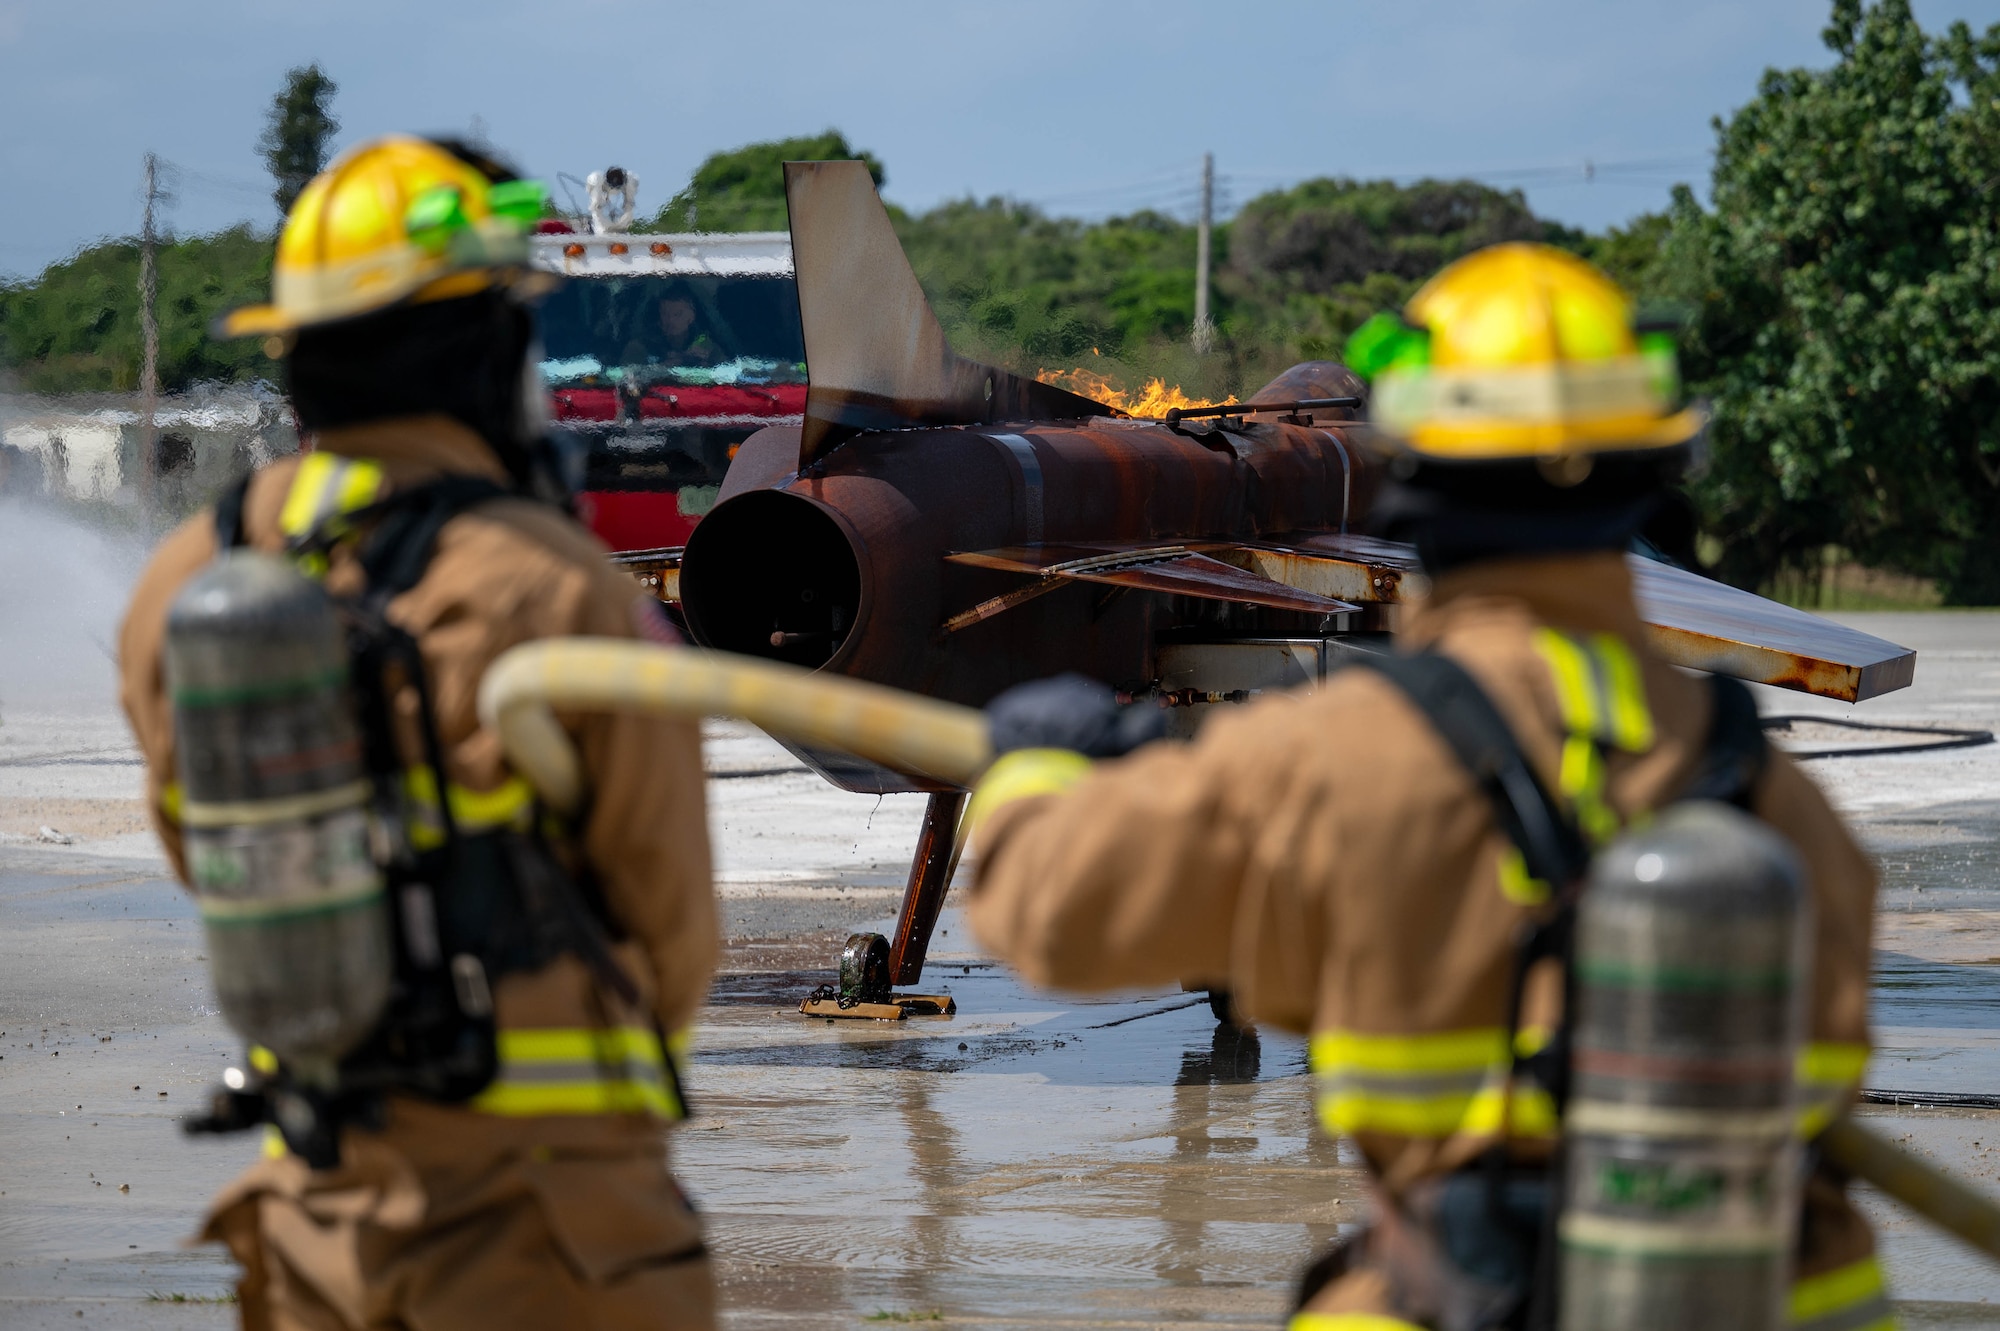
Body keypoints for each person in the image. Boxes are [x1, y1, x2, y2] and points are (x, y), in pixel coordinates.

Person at [963, 244, 1886, 1331]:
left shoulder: (1336, 761)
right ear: (1650, 475)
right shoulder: (1787, 809)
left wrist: (1036, 773)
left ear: (1413, 473)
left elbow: (1060, 918)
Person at [117, 135, 718, 1329]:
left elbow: (209, 850)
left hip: (315, 1220)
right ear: (483, 348)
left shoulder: (190, 578)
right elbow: (671, 925)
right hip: (547, 1235)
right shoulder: (550, 584)